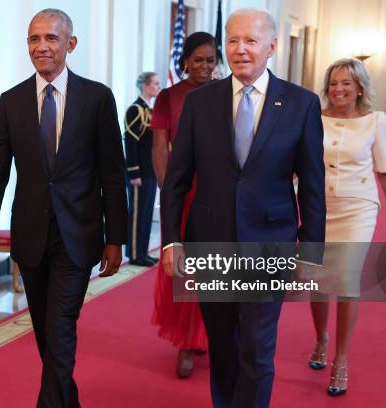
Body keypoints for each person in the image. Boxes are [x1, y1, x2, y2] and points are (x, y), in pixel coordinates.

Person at [161, 8, 326, 408]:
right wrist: (171, 242)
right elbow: (177, 178)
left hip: (269, 244)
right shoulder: (200, 102)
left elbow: (313, 184)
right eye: (233, 41)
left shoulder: (301, 104)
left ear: (271, 47)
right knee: (223, 345)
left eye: (250, 41)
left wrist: (311, 250)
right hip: (211, 243)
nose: (240, 49)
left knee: (256, 346)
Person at [0, 9, 127, 408]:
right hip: (31, 235)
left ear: (70, 44)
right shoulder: (11, 102)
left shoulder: (97, 98)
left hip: (78, 235)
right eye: (33, 39)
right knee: (44, 329)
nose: (41, 46)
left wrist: (116, 239)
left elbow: (113, 173)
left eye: (51, 39)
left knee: (60, 327)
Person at [308, 58, 386, 396]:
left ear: (359, 86)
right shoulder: (313, 118)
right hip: (318, 208)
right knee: (318, 280)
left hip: (358, 208)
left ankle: (341, 360)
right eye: (334, 83)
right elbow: (298, 165)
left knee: (347, 280)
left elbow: (385, 169)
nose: (338, 89)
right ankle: (321, 337)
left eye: (346, 83)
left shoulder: (376, 122)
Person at [151, 32, 217, 378]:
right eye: (198, 60)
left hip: (220, 191)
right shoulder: (168, 98)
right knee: (188, 265)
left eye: (210, 60)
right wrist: (169, 191)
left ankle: (212, 333)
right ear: (185, 61)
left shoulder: (226, 92)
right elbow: (160, 147)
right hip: (184, 191)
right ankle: (187, 341)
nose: (205, 67)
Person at [125, 71, 161, 267]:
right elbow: (130, 143)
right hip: (139, 173)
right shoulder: (135, 110)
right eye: (155, 83)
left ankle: (143, 251)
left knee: (146, 213)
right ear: (145, 86)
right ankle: (134, 254)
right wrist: (134, 172)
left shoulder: (150, 110)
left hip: (150, 171)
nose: (158, 86)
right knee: (137, 214)